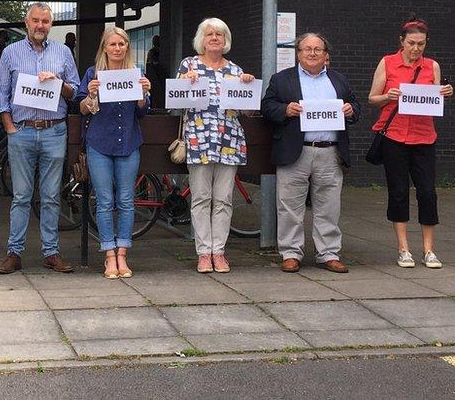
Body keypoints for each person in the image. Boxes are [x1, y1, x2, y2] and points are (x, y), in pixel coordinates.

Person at [261, 32, 361, 273]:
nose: (312, 53)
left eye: (318, 49)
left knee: (329, 206)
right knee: (289, 206)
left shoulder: (339, 80)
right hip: (296, 151)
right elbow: (267, 107)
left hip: (330, 152)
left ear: (326, 55)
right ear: (298, 53)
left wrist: (350, 110)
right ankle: (291, 253)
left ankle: (328, 253)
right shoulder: (282, 79)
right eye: (307, 49)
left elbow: (356, 106)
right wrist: (286, 110)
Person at [0, 3, 80, 274]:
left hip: (54, 130)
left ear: (51, 24)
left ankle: (51, 252)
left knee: (52, 196)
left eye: (45, 21)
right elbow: (1, 97)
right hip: (23, 130)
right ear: (26, 22)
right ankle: (14, 252)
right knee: (21, 195)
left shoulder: (63, 52)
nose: (40, 25)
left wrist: (58, 82)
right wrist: (10, 128)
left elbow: (75, 93)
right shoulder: (10, 53)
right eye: (36, 20)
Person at [367, 16, 454, 269]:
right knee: (398, 192)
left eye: (422, 44)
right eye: (412, 43)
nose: (416, 49)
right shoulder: (387, 63)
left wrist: (446, 92)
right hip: (394, 136)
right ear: (401, 41)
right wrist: (388, 95)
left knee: (428, 192)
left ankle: (428, 249)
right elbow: (373, 99)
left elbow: (435, 98)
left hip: (424, 136)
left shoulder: (432, 66)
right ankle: (403, 248)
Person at [178, 18, 256, 273]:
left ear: (226, 40)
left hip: (228, 141)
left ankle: (218, 252)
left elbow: (249, 112)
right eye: (209, 34)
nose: (214, 38)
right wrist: (184, 82)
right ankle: (203, 253)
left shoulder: (235, 70)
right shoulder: (189, 65)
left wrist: (248, 87)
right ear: (202, 38)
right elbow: (175, 102)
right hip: (199, 140)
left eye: (219, 34)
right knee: (201, 198)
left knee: (223, 199)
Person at [76, 27, 151, 279]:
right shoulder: (92, 73)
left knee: (127, 201)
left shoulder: (136, 74)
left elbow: (142, 112)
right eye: (113, 44)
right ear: (104, 47)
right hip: (100, 143)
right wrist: (91, 95)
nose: (117, 48)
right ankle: (109, 254)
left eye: (122, 44)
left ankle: (123, 254)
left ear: (127, 47)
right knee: (105, 200)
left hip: (128, 142)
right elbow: (83, 109)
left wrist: (143, 95)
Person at [145, 34, 165, 108]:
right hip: (153, 76)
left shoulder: (163, 51)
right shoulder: (152, 52)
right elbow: (149, 63)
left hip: (161, 75)